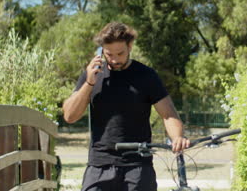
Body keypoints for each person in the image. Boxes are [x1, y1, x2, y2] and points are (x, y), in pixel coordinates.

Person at [63, 22, 190, 191]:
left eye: (120, 53)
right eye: (109, 54)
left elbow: (168, 114)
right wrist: (89, 83)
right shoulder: (92, 75)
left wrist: (177, 137)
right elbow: (70, 116)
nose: (115, 59)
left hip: (138, 167)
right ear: (101, 51)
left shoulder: (146, 76)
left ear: (130, 46)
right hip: (99, 165)